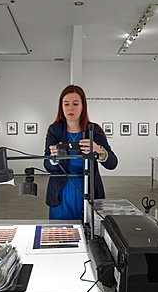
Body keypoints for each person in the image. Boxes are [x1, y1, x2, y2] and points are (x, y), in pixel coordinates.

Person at [44, 85, 118, 220]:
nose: (70, 108)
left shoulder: (93, 130)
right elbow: (47, 165)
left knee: (89, 233)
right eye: (66, 104)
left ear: (83, 106)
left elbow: (112, 163)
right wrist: (53, 158)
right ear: (61, 107)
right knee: (61, 234)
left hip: (88, 189)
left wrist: (98, 150)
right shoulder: (55, 130)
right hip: (61, 192)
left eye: (75, 104)